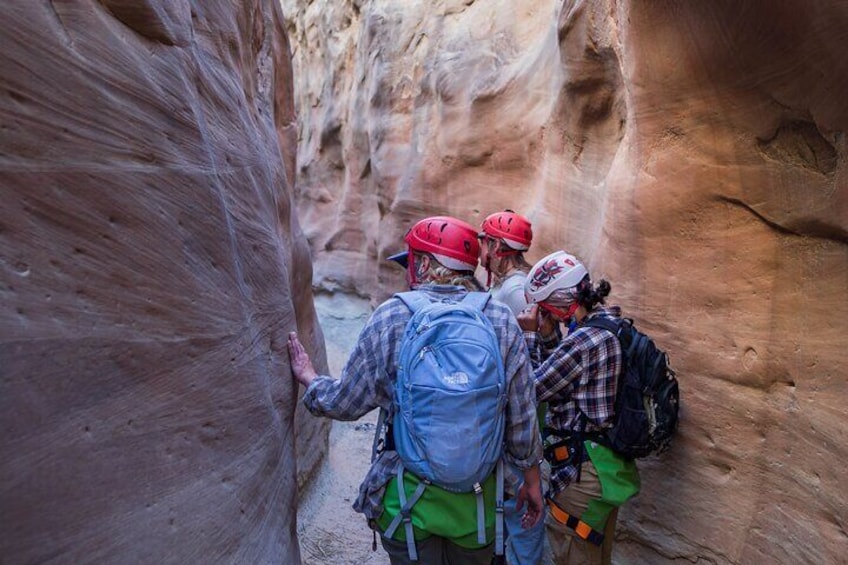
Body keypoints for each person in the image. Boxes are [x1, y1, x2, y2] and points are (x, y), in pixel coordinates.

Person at [288, 215, 545, 565]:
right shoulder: (500, 320)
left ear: (424, 264)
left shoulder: (392, 315)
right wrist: (531, 479)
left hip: (407, 500)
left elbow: (346, 404)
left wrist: (310, 380)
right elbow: (522, 417)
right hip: (479, 505)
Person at [517, 251, 641, 565]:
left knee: (574, 554)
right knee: (596, 556)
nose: (547, 316)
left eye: (547, 310)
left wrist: (530, 335)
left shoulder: (584, 339)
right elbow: (566, 379)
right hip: (608, 464)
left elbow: (530, 389)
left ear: (560, 303)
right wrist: (547, 338)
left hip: (582, 473)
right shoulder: (613, 324)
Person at [478, 210, 545, 565]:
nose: (479, 248)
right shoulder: (505, 287)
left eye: (483, 240)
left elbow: (524, 369)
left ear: (497, 246)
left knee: (519, 512)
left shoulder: (516, 292)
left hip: (516, 421)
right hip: (508, 419)